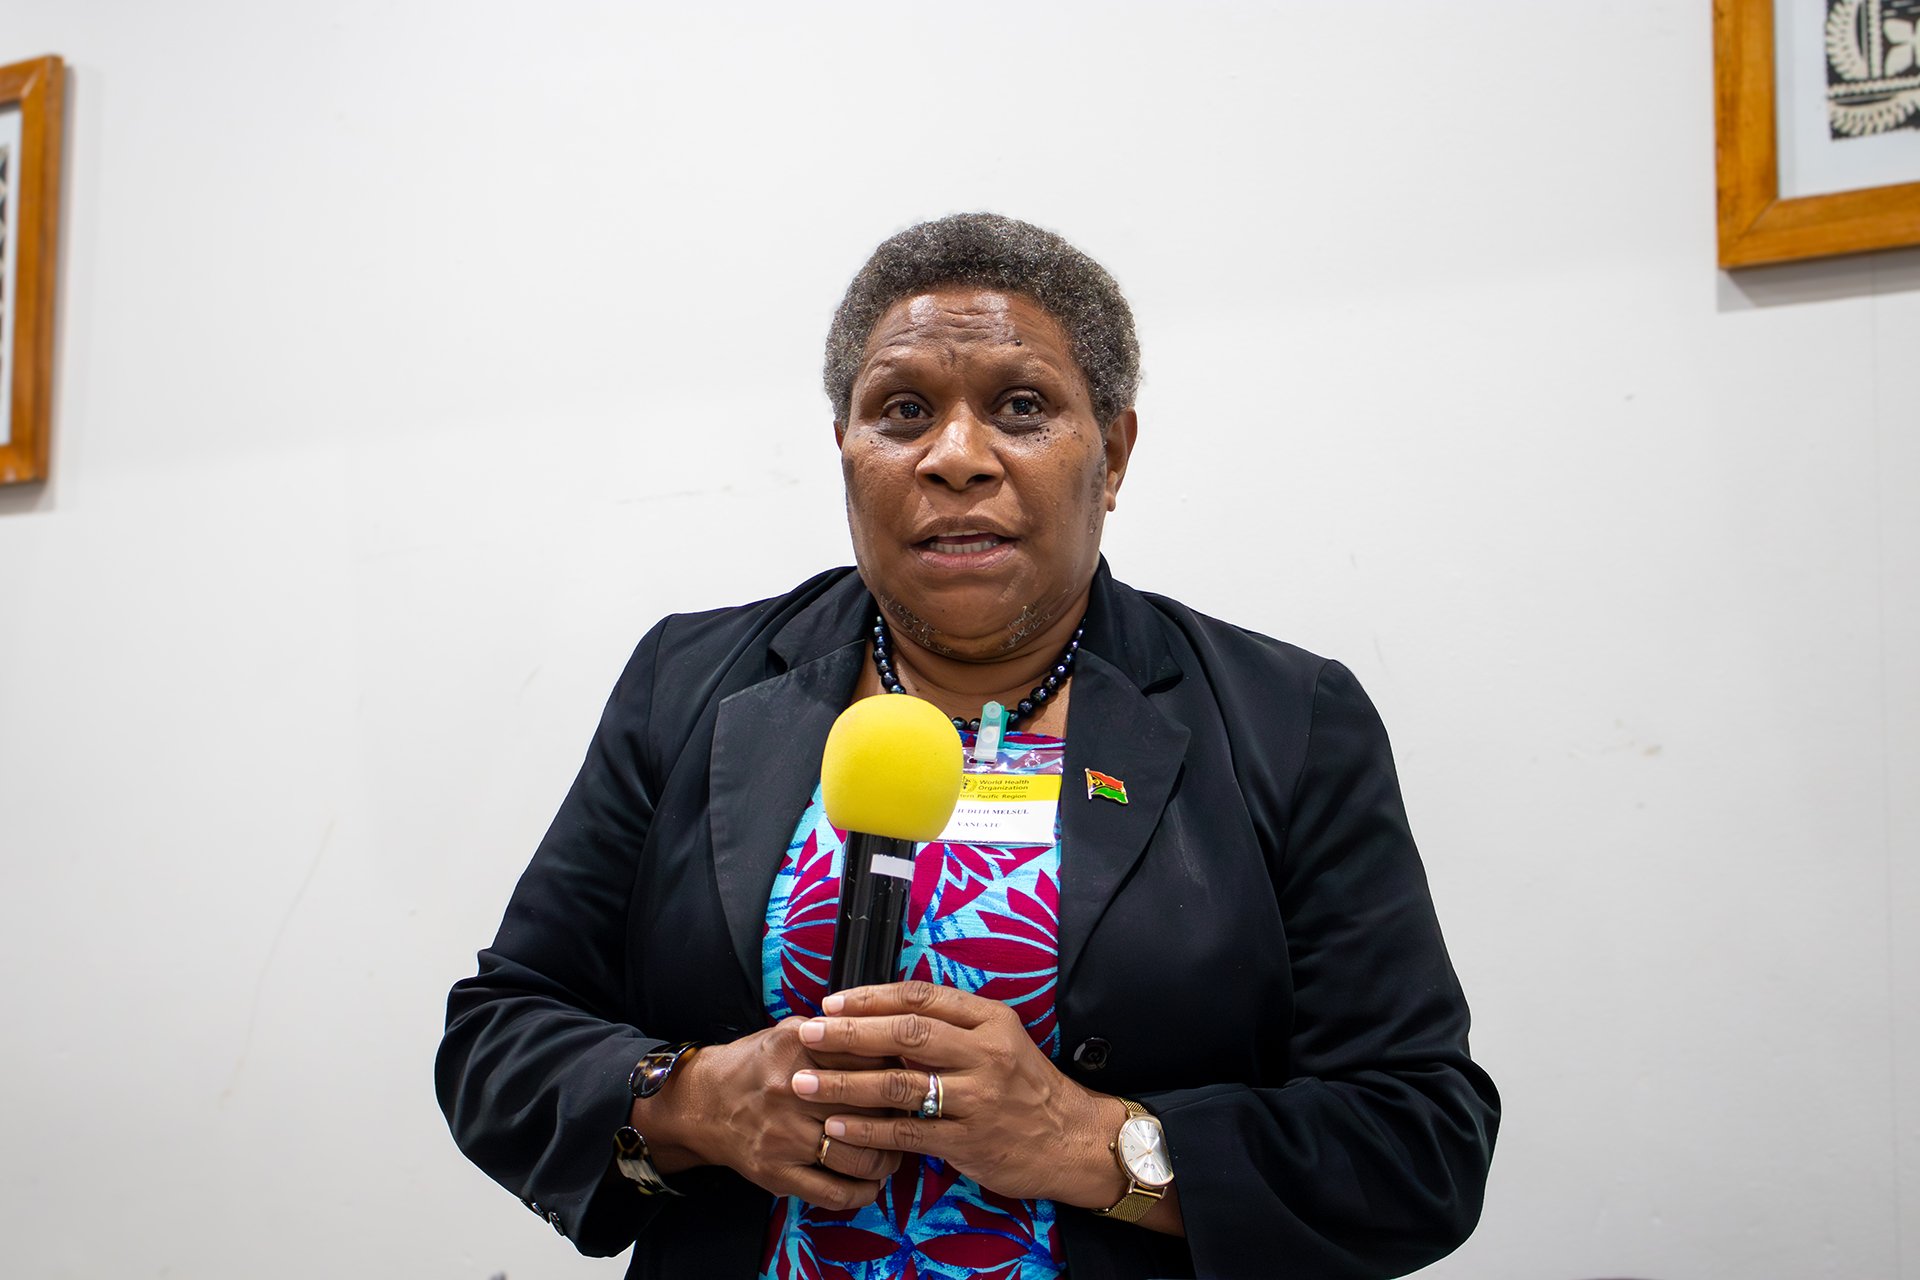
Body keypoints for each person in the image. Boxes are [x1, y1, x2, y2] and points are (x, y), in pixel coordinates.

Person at [436, 213, 1499, 1280]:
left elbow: (1420, 1139)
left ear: (1114, 453)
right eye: (902, 411)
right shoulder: (692, 683)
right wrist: (696, 1100)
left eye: (1021, 406)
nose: (954, 457)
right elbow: (500, 1035)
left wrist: (1090, 1142)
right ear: (846, 451)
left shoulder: (1286, 719)